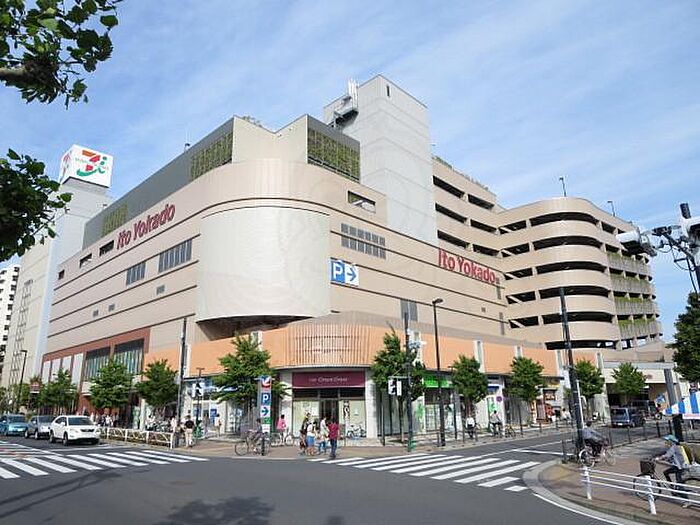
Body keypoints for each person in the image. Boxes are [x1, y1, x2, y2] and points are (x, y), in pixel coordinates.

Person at [655, 434, 691, 507]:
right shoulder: (674, 447)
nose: (665, 442)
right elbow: (668, 456)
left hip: (680, 468)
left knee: (679, 485)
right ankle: (671, 486)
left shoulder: (673, 447)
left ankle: (687, 501)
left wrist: (658, 458)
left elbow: (667, 455)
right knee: (666, 472)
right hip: (677, 467)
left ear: (671, 441)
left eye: (667, 441)